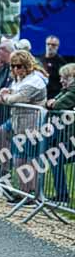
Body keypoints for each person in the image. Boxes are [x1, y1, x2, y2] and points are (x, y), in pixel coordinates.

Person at [0, 50, 49, 195]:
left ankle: (30, 193)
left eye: (19, 66)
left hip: (33, 124)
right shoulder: (21, 78)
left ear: (27, 65)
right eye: (13, 66)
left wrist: (3, 96)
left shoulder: (35, 81)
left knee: (28, 161)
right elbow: (13, 92)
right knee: (18, 157)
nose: (16, 69)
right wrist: (6, 93)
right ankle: (20, 189)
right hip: (19, 121)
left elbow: (16, 98)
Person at [45, 63, 75, 204]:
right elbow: (50, 102)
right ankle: (62, 195)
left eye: (65, 78)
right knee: (54, 157)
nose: (61, 81)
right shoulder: (67, 90)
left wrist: (53, 102)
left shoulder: (73, 90)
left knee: (54, 157)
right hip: (68, 138)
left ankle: (63, 195)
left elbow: (56, 104)